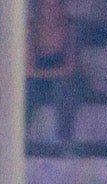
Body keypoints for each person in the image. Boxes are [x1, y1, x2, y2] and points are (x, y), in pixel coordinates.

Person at [26, 0, 81, 149]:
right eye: (48, 6)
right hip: (40, 79)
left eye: (56, 5)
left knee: (64, 88)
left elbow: (70, 68)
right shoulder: (32, 29)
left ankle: (64, 141)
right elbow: (28, 68)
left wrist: (42, 74)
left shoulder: (71, 29)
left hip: (65, 81)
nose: (52, 9)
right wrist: (49, 74)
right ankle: (19, 139)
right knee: (25, 90)